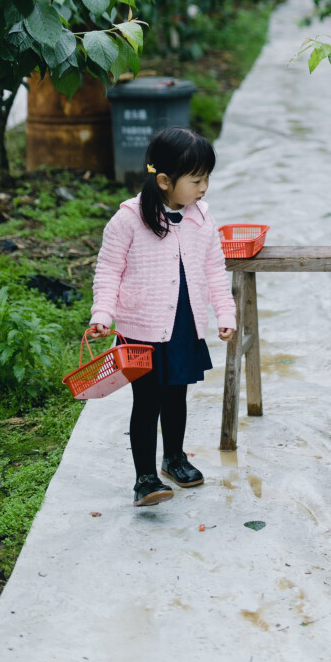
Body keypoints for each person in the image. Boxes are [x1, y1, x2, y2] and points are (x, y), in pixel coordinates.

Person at [89, 126, 236, 507]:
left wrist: (225, 312)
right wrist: (103, 312)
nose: (204, 188)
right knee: (147, 401)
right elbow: (108, 270)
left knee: (177, 396)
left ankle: (174, 458)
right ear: (165, 181)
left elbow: (214, 270)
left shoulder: (202, 217)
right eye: (197, 179)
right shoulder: (129, 219)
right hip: (142, 328)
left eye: (207, 179)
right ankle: (145, 478)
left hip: (184, 324)